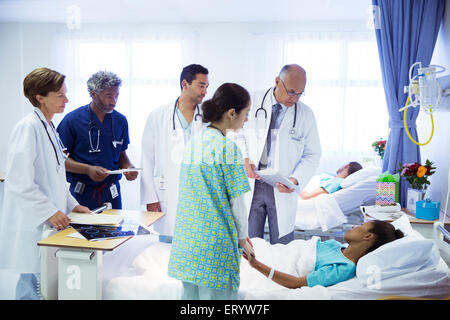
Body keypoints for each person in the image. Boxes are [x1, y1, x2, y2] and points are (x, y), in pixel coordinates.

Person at [0, 68, 91, 300]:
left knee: (43, 283)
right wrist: (50, 212)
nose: (67, 100)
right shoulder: (28, 127)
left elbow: (57, 175)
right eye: (60, 95)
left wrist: (73, 204)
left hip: (47, 222)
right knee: (31, 285)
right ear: (40, 97)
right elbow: (19, 181)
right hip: (33, 222)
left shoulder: (49, 127)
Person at [168, 83, 255, 300]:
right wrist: (242, 238)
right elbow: (237, 204)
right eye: (246, 114)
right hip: (213, 247)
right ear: (231, 112)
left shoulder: (193, 144)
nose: (246, 120)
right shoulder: (228, 150)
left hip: (187, 242)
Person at [237, 64, 321, 245]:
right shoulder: (252, 100)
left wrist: (296, 180)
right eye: (291, 92)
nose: (295, 99)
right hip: (253, 182)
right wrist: (245, 159)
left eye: (300, 93)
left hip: (282, 186)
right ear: (277, 81)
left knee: (283, 247)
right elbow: (236, 132)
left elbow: (313, 154)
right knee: (250, 245)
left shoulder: (306, 115)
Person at [140, 64, 209, 242]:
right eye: (201, 85)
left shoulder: (209, 118)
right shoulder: (158, 116)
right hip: (167, 194)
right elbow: (147, 159)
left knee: (196, 248)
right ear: (185, 84)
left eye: (207, 87)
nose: (205, 91)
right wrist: (150, 197)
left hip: (200, 194)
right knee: (166, 250)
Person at [57, 71, 138, 210]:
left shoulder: (120, 121)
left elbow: (121, 154)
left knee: (114, 231)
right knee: (79, 232)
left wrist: (129, 168)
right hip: (81, 195)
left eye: (116, 95)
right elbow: (60, 160)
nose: (114, 101)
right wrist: (88, 169)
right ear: (93, 94)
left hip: (112, 195)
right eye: (108, 96)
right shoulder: (72, 121)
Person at [244, 220, 404, 288]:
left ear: (368, 236)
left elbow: (296, 283)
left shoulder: (343, 267)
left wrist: (256, 264)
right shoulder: (336, 246)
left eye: (361, 225)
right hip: (274, 252)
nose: (355, 225)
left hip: (270, 262)